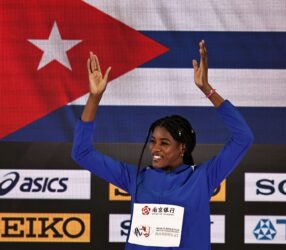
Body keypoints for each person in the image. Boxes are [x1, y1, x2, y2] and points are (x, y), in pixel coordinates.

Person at [72, 40, 254, 249]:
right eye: (153, 142)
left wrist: (207, 89)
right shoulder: (135, 177)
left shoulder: (202, 178)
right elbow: (82, 152)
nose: (155, 148)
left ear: (182, 148)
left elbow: (243, 137)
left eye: (164, 143)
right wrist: (94, 98)